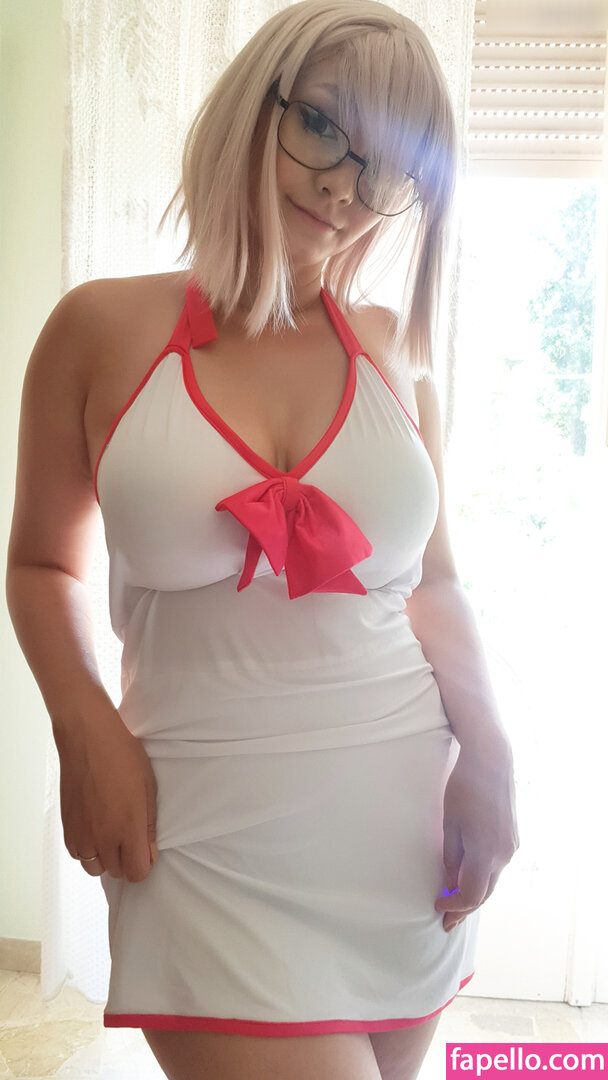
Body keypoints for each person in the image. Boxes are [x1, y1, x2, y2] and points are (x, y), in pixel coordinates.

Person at [6, 1, 519, 1077]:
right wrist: (82, 726)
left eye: (386, 166)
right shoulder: (98, 329)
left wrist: (490, 756)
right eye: (322, 126)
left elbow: (434, 585)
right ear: (256, 105)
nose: (344, 187)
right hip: (198, 828)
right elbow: (44, 562)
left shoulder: (397, 352)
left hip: (396, 826)